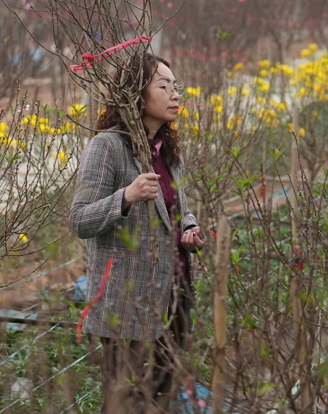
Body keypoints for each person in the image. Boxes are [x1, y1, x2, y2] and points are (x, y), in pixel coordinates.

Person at [69, 53, 207, 414]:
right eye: (164, 86)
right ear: (136, 93)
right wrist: (127, 196)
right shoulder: (108, 146)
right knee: (125, 404)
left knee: (163, 400)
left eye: (176, 87)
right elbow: (80, 219)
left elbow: (180, 210)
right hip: (129, 305)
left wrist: (189, 229)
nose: (175, 94)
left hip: (173, 298)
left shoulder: (167, 152)